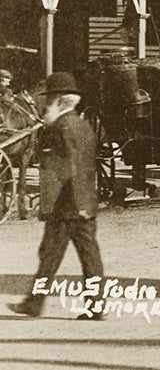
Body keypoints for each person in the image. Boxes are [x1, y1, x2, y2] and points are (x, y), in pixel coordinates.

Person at [9, 72, 105, 320]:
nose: (45, 105)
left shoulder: (62, 128)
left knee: (50, 256)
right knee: (87, 257)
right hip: (82, 204)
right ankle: (95, 307)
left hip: (66, 206)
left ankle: (33, 303)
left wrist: (52, 208)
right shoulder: (81, 125)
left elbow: (67, 169)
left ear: (61, 101)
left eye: (50, 99)